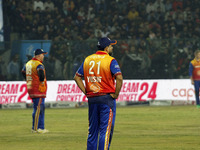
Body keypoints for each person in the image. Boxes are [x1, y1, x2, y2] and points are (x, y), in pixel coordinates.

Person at [74, 37, 123, 150]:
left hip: (92, 99)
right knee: (105, 131)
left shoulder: (88, 59)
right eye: (111, 46)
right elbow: (119, 78)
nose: (112, 47)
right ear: (106, 48)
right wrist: (115, 94)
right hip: (106, 98)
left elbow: (76, 77)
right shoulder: (110, 60)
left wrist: (86, 92)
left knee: (92, 131)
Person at [22, 49, 49, 133]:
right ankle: (37, 128)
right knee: (39, 108)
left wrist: (29, 79)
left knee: (38, 107)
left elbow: (23, 72)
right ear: (38, 55)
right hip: (39, 88)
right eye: (42, 54)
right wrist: (40, 81)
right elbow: (41, 74)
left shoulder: (28, 63)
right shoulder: (39, 64)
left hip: (31, 88)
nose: (43, 56)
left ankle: (39, 127)